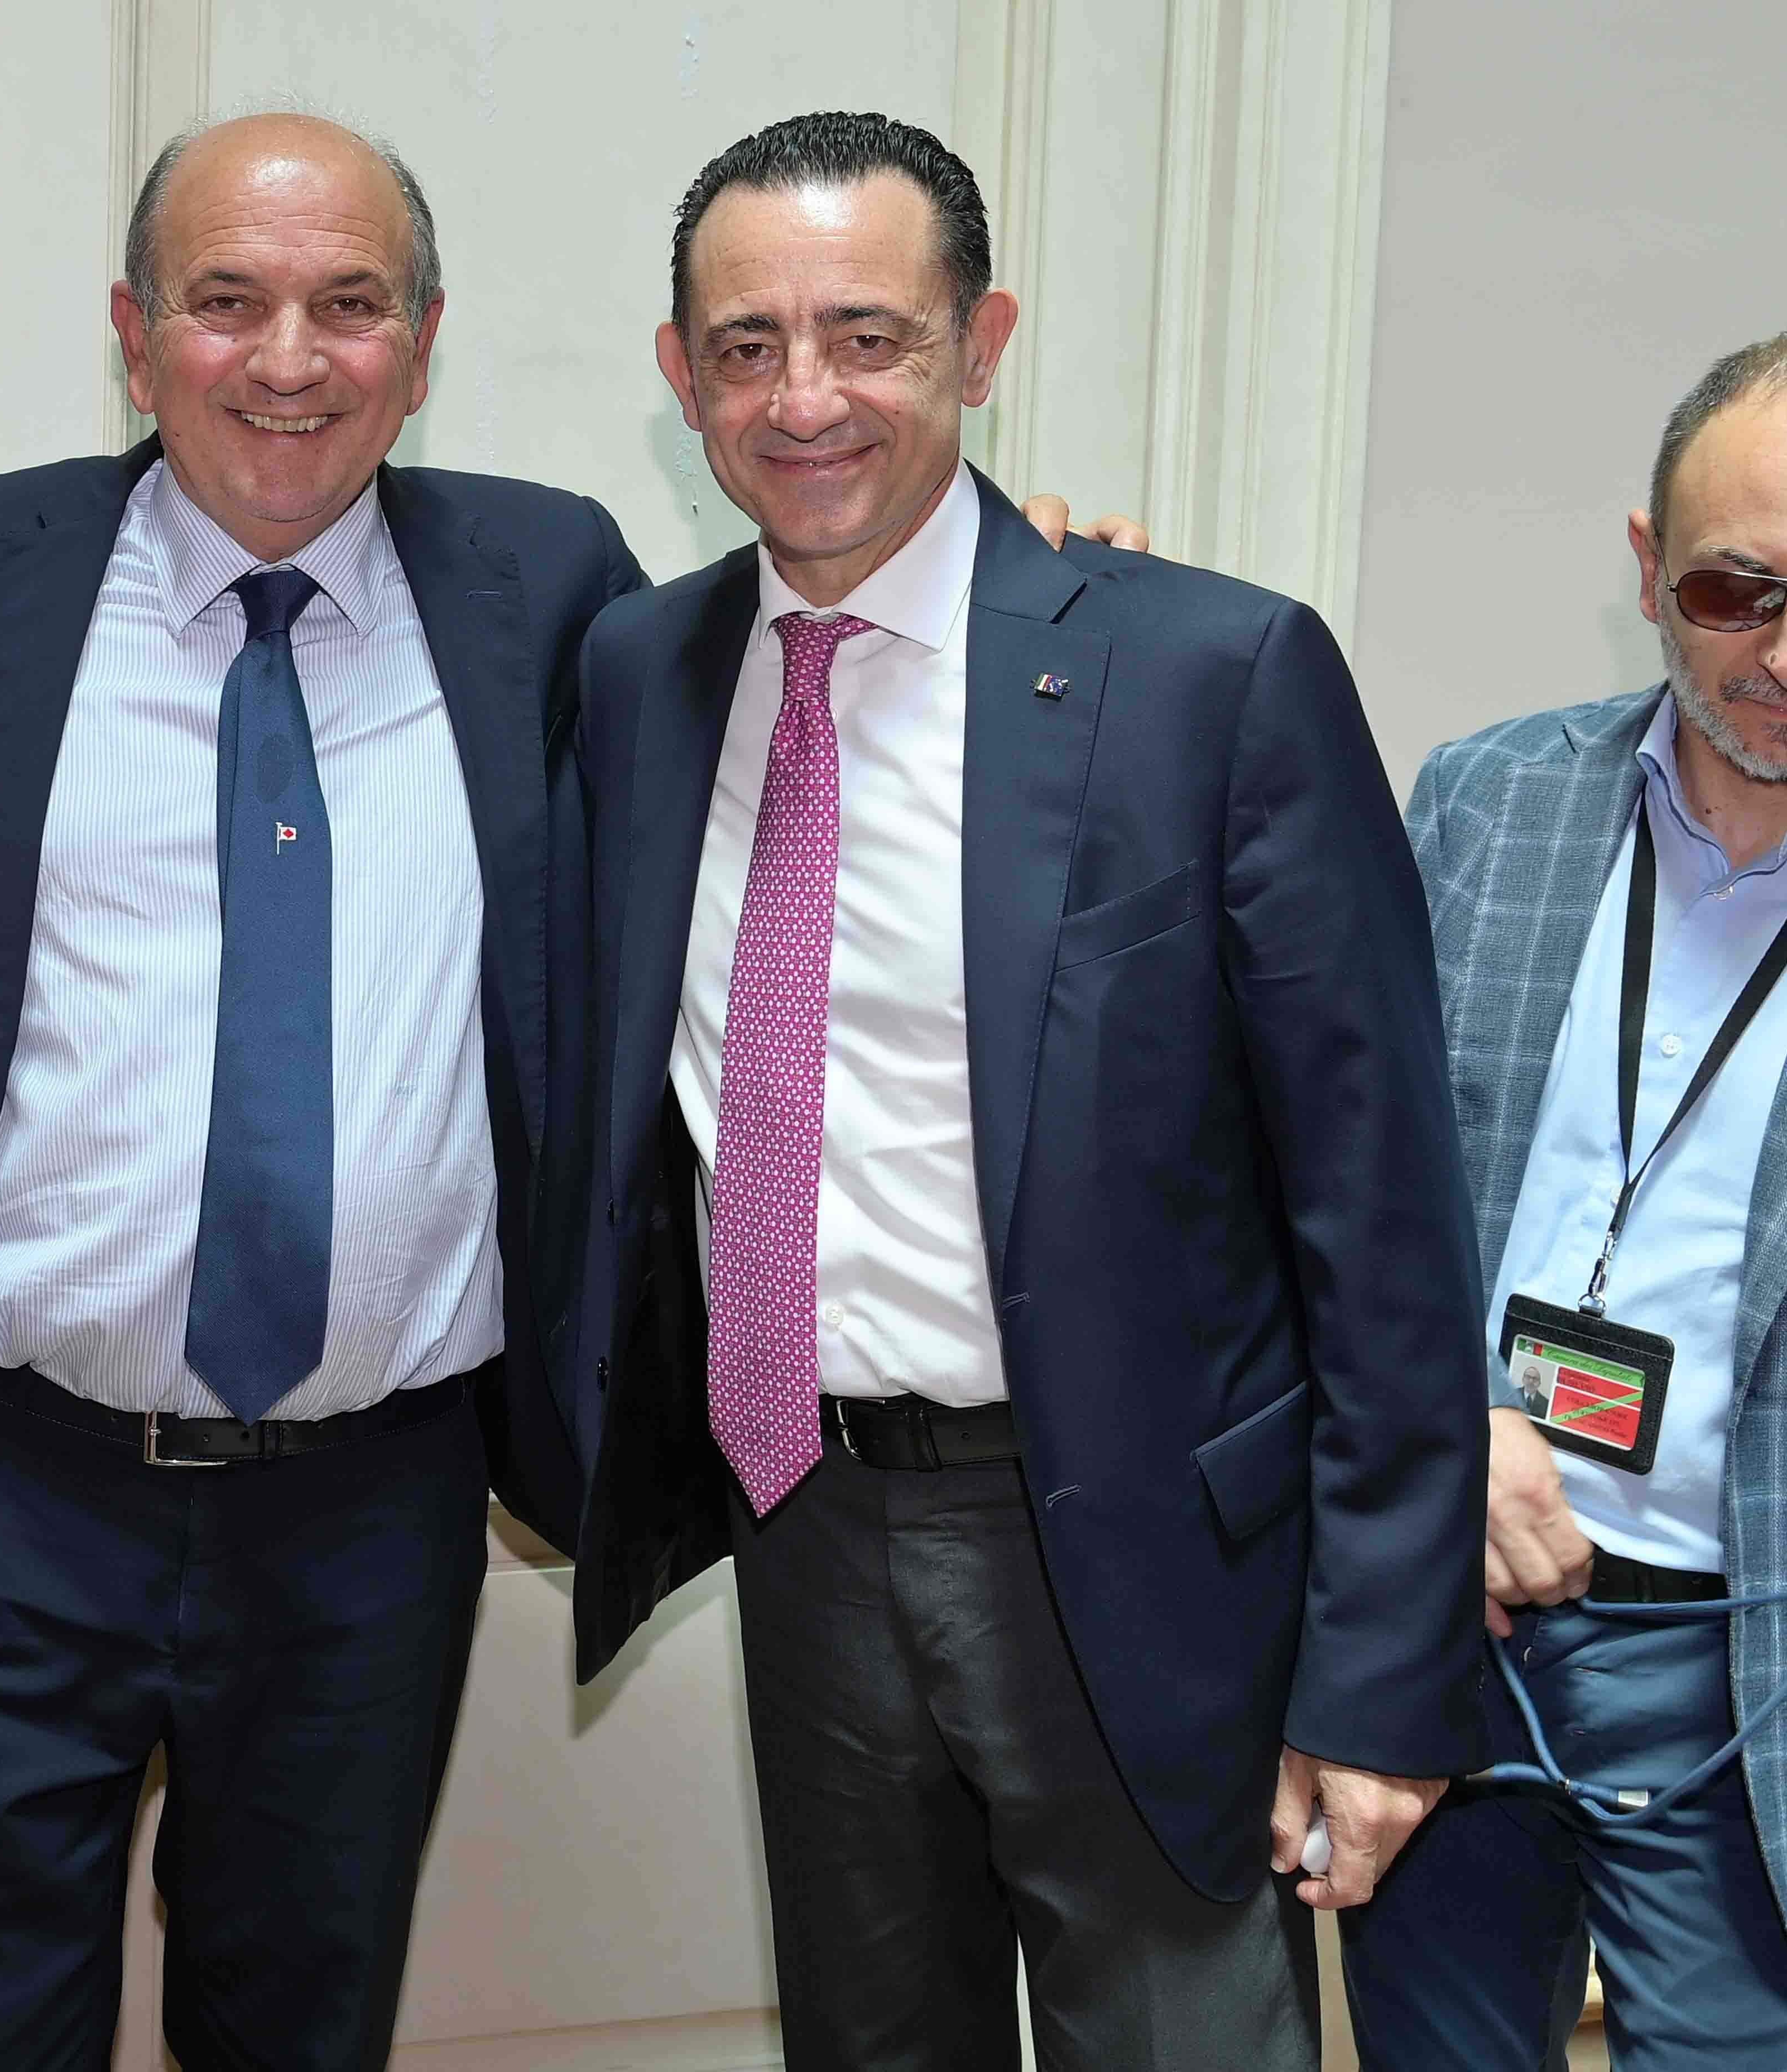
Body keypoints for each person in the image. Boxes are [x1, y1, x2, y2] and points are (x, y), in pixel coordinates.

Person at [0, 109, 1132, 2070]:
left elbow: (811, 682)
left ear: (424, 343)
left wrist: (1033, 597)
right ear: (133, 335)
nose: (288, 358)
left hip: (369, 1519)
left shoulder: (550, 590)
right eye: (227, 301)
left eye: (351, 304)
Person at [562, 112, 1490, 2071]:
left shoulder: (1211, 676)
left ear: (981, 346)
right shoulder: (642, 673)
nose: (805, 398)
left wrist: (1382, 1675)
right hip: (802, 1518)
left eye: (870, 337)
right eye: (747, 346)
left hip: (1134, 1549)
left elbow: (1385, 1218)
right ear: (679, 375)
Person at [1338, 326, 1787, 2071]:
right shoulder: (1488, 801)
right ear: (1649, 567)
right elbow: (1351, 1194)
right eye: (1739, 591)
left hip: (1779, 1669)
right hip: (1453, 1617)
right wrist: (1442, 1424)